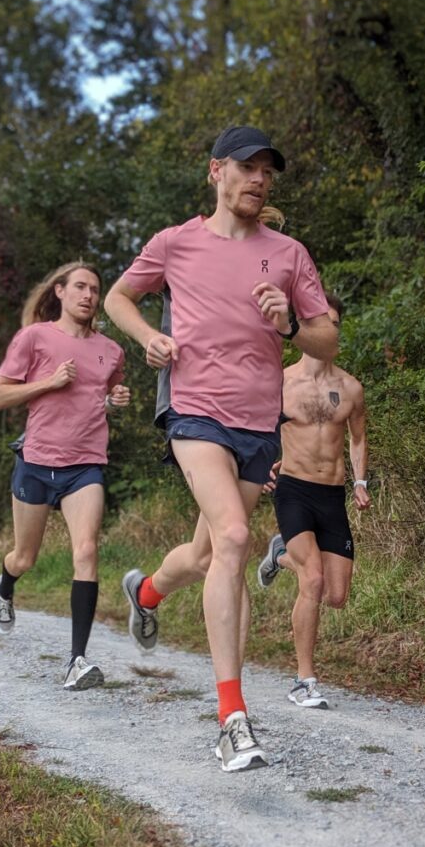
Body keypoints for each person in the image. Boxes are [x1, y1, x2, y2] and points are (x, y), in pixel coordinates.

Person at [104, 125, 338, 772]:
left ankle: (148, 592)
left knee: (209, 553)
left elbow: (326, 342)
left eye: (269, 170)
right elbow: (118, 297)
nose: (260, 179)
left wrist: (287, 323)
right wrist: (149, 337)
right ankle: (232, 718)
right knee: (234, 537)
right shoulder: (175, 243)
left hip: (257, 423)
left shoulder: (288, 254)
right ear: (216, 172)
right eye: (248, 166)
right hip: (193, 411)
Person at [0, 262, 130, 691]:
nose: (88, 295)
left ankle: (76, 660)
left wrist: (115, 400)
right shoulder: (35, 337)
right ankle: (6, 582)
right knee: (24, 557)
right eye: (80, 287)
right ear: (61, 292)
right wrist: (48, 382)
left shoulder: (111, 350)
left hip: (85, 465)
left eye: (95, 290)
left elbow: (103, 396)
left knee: (86, 551)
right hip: (36, 462)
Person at [257, 293, 370, 709]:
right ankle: (304, 680)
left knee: (336, 595)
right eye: (323, 324)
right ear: (304, 329)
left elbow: (358, 438)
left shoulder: (352, 388)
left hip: (332, 495)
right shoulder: (281, 382)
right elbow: (255, 427)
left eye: (336, 325)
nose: (330, 331)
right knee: (315, 579)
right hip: (294, 490)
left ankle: (280, 554)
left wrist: (361, 482)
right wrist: (262, 466)